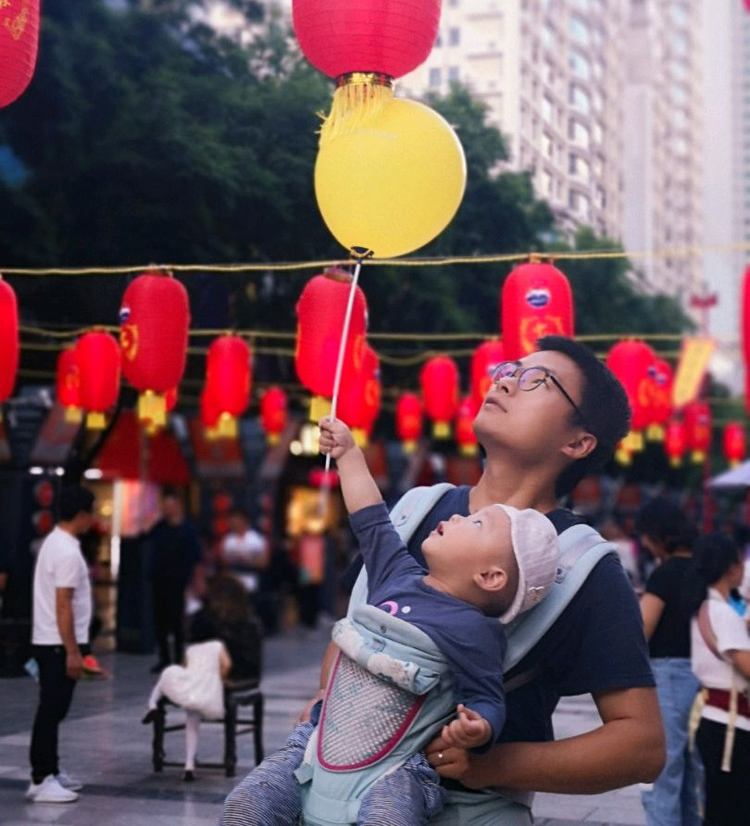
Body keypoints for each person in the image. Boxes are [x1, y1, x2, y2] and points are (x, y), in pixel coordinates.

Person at [240, 335, 663, 825]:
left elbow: (641, 744)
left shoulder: (583, 567)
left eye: (535, 381)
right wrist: (324, 703)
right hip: (335, 794)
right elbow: (356, 627)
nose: (505, 381)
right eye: (509, 369)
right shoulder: (417, 512)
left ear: (577, 442)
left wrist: (492, 764)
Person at [220, 416, 559, 826]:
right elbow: (371, 518)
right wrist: (348, 453)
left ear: (490, 577)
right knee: (244, 807)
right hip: (314, 744)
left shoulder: (475, 630)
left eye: (475, 524)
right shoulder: (396, 573)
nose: (456, 517)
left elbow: (487, 695)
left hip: (397, 771)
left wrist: (480, 728)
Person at [143, 575, 263, 781]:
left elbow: (192, 649)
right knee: (189, 702)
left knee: (185, 701)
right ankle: (198, 759)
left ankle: (154, 708)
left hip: (212, 673)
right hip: (222, 673)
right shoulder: (239, 621)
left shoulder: (215, 620)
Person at [634, 498, 702, 825]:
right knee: (695, 771)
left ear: (657, 534)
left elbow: (641, 630)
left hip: (670, 675)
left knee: (666, 768)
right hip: (704, 676)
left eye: (645, 536)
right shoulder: (705, 569)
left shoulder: (665, 574)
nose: (644, 545)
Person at [26, 485, 95, 804]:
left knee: (54, 709)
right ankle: (41, 777)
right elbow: (63, 603)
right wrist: (72, 651)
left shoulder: (54, 542)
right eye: (90, 514)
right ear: (81, 515)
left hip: (51, 639)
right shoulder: (66, 550)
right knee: (51, 709)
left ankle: (50, 769)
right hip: (57, 643)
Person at [689, 533, 750, 825]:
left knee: (719, 807)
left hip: (715, 719)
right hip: (731, 725)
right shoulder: (724, 612)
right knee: (733, 811)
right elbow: (746, 666)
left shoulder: (705, 607)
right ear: (731, 568)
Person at [147, 491, 202, 673]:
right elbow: (145, 539)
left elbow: (196, 558)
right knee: (160, 621)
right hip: (159, 580)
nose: (167, 510)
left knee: (176, 620)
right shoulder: (160, 527)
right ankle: (164, 657)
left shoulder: (188, 529)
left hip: (179, 582)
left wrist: (196, 582)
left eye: (170, 506)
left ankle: (178, 658)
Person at [220, 508, 269, 598]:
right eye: (231, 520)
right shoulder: (228, 540)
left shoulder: (256, 539)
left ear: (243, 520)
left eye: (235, 520)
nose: (232, 523)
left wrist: (247, 560)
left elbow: (263, 563)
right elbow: (223, 561)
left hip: (251, 583)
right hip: (233, 582)